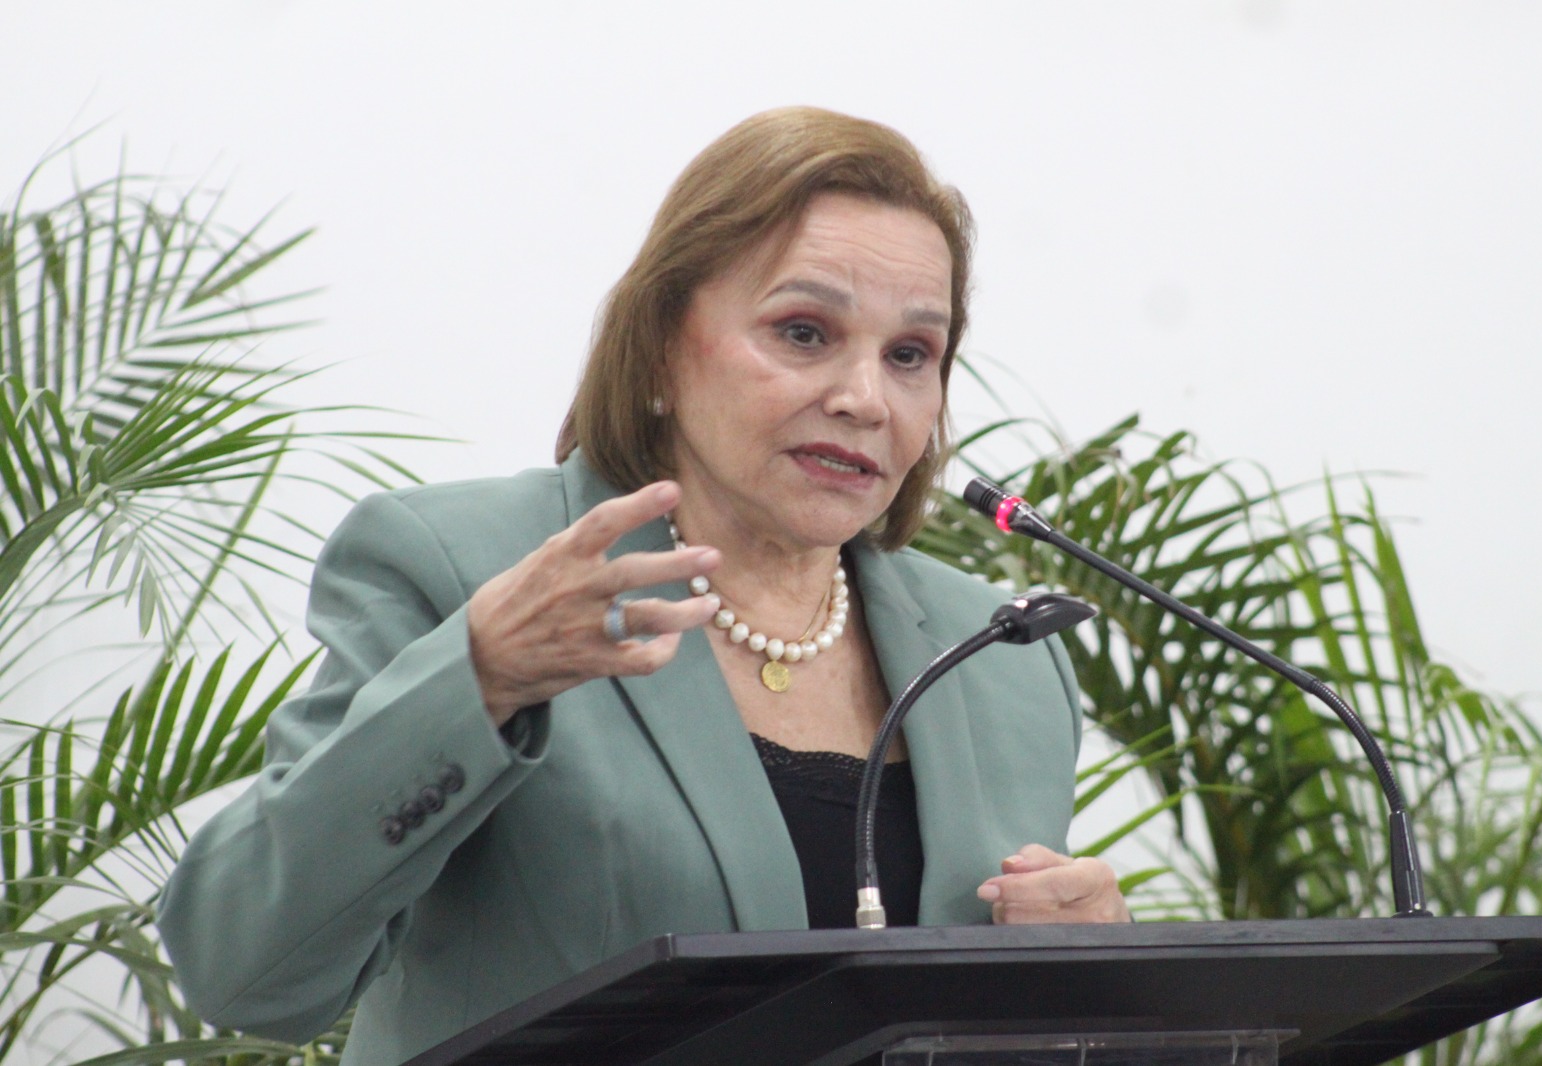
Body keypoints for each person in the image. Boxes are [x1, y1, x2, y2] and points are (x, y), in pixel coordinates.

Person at [156, 106, 1130, 1066]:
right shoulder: (463, 567)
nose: (864, 398)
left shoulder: (998, 654)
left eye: (910, 355)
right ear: (663, 340)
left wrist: (1090, 971)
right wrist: (478, 679)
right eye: (802, 332)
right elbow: (241, 970)